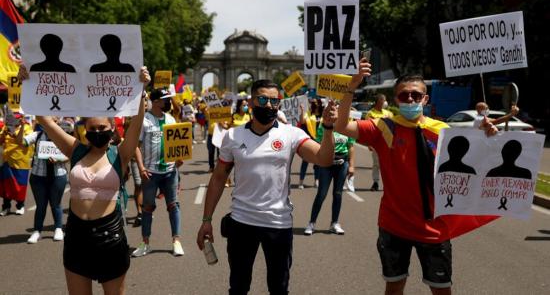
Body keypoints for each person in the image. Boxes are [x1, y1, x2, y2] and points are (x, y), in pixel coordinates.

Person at [335, 58, 498, 295]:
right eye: (403, 96)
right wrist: (353, 84)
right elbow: (341, 126)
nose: (410, 99)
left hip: (434, 228)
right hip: (394, 226)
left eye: (415, 95)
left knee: (441, 290)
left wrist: (489, 138)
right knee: (394, 287)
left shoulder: (443, 132)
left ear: (425, 99)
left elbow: (475, 163)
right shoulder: (384, 128)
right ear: (395, 100)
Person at [196, 79, 337, 295]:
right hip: (242, 223)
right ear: (251, 102)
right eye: (263, 99)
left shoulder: (292, 134)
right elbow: (218, 178)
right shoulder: (233, 136)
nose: (270, 105)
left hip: (278, 224)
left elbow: (324, 159)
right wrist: (206, 220)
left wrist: (327, 129)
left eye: (275, 100)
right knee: (239, 287)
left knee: (279, 289)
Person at [18, 64, 149, 294]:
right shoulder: (75, 150)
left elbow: (136, 125)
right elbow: (45, 121)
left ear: (111, 129)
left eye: (102, 127)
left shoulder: (120, 154)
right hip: (76, 237)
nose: (97, 131)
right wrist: (27, 84)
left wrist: (140, 89)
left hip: (111, 236)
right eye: (92, 128)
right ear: (85, 130)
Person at [133, 88, 185, 257]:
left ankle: (176, 241)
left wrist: (179, 157)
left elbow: (177, 143)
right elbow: (136, 146)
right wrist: (141, 168)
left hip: (170, 172)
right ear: (155, 101)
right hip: (150, 173)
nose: (169, 102)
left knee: (173, 205)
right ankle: (145, 243)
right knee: (147, 208)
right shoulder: (144, 120)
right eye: (165, 99)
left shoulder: (170, 119)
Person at [18, 117, 68, 243]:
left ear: (58, 123)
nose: (52, 124)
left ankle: (58, 229)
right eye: (49, 121)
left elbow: (70, 154)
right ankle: (37, 231)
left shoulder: (64, 137)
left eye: (55, 121)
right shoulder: (38, 134)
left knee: (56, 204)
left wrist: (59, 160)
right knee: (41, 205)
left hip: (58, 175)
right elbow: (21, 142)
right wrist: (22, 127)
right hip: (38, 176)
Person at [304, 113, 355, 235]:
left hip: (342, 163)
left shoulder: (348, 126)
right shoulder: (324, 125)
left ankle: (334, 223)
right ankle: (311, 223)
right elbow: (318, 144)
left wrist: (351, 165)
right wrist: (317, 159)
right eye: (333, 111)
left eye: (338, 111)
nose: (335, 113)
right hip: (326, 164)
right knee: (321, 194)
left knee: (338, 194)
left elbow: (351, 146)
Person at [0, 112, 34, 216]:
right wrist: (4, 133)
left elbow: (24, 142)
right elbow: (0, 141)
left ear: (21, 120)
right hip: (7, 160)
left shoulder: (27, 128)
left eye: (16, 119)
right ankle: (6, 207)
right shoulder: (5, 127)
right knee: (6, 185)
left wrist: (14, 133)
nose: (14, 121)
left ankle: (20, 206)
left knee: (20, 185)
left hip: (21, 161)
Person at [366, 94, 393, 191]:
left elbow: (392, 129)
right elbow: (368, 129)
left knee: (388, 164)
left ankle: (389, 184)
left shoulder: (389, 114)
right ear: (378, 101)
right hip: (376, 143)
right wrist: (369, 143)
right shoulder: (370, 113)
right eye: (383, 100)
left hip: (388, 143)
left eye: (385, 100)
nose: (385, 102)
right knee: (376, 164)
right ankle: (376, 182)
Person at [298, 99, 322, 189]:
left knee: (318, 162)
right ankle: (301, 181)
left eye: (316, 102)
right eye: (313, 103)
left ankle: (316, 180)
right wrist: (302, 111)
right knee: (305, 161)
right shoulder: (308, 113)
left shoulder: (322, 114)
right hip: (309, 141)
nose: (315, 104)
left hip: (319, 141)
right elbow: (302, 121)